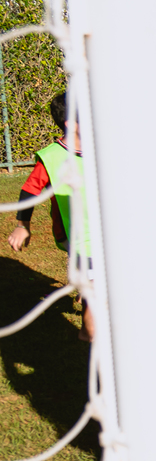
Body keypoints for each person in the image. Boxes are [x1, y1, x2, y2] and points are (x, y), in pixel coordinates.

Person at [7, 91, 95, 340]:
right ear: (72, 124)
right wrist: (23, 225)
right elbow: (29, 190)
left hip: (104, 231)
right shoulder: (52, 157)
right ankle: (89, 334)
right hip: (76, 236)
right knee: (96, 287)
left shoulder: (100, 149)